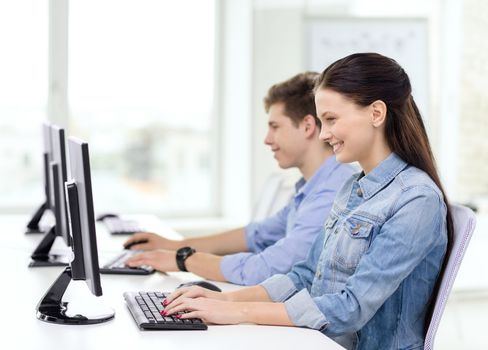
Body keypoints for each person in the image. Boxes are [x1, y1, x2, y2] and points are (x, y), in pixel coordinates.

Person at [160, 53, 453, 350]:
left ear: (376, 113)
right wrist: (225, 299)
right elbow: (306, 274)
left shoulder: (416, 199)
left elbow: (350, 308)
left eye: (331, 120)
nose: (324, 134)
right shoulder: (353, 188)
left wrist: (236, 311)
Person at [124, 72, 355, 285]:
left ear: (307, 126)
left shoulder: (333, 191)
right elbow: (255, 235)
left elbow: (267, 267)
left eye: (275, 126)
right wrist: (172, 246)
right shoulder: (310, 188)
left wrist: (183, 259)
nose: (267, 139)